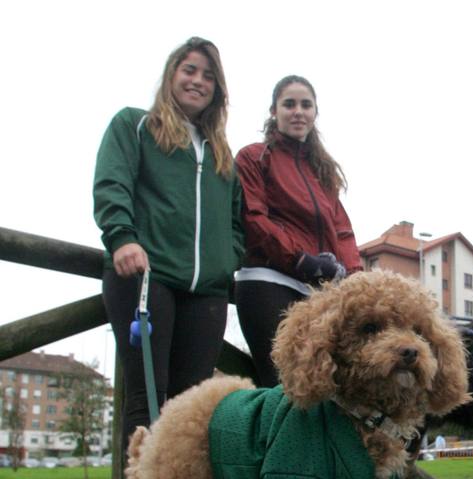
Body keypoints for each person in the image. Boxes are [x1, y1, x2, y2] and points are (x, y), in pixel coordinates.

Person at [93, 37, 244, 449]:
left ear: (218, 89)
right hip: (146, 277)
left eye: (208, 76)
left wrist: (226, 260)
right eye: (189, 70)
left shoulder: (221, 157)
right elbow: (112, 183)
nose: (197, 81)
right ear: (172, 75)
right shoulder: (134, 125)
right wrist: (122, 236)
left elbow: (236, 222)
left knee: (189, 408)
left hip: (206, 293)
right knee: (148, 401)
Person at [234, 75, 362, 387]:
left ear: (315, 113)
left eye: (306, 105)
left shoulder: (322, 171)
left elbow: (342, 230)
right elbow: (254, 218)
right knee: (283, 386)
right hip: (268, 282)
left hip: (318, 291)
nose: (297, 111)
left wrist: (356, 276)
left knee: (323, 388)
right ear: (273, 111)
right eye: (289, 104)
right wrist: (302, 259)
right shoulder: (253, 157)